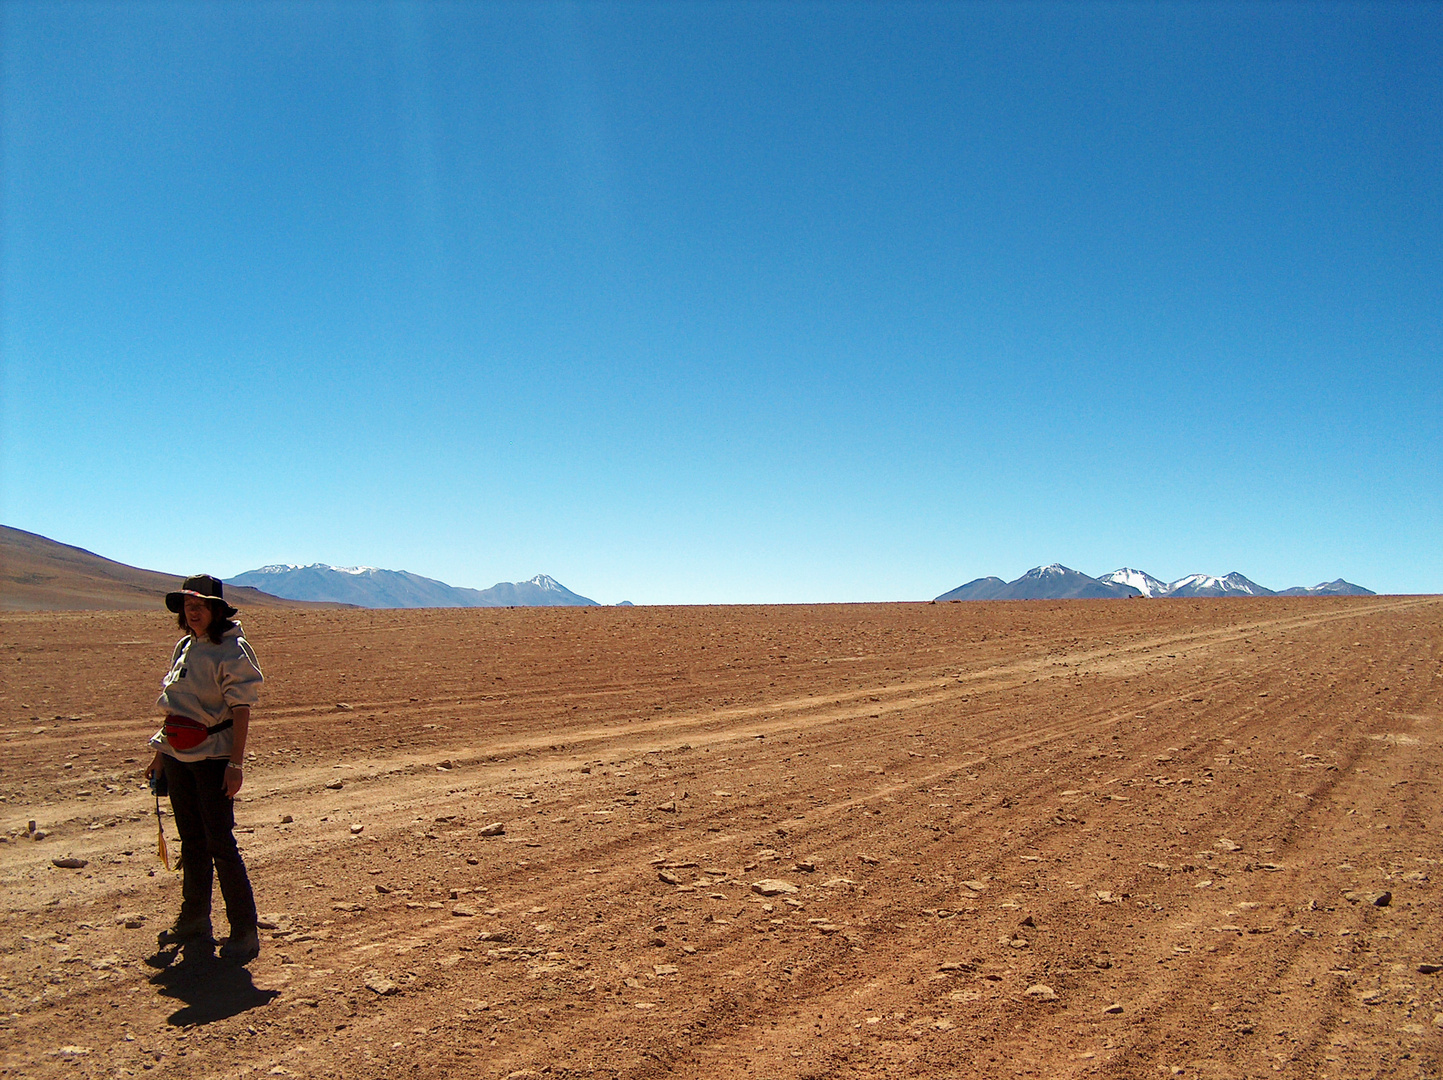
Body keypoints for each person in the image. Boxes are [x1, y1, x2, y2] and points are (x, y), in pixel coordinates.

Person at [144, 574, 264, 962]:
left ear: (216, 610)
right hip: (179, 756)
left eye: (200, 605)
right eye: (187, 606)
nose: (192, 612)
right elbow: (176, 706)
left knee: (220, 844)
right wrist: (161, 752)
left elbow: (241, 711)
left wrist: (236, 763)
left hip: (213, 759)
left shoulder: (233, 650)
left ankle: (244, 930)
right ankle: (195, 918)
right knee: (192, 841)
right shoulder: (185, 645)